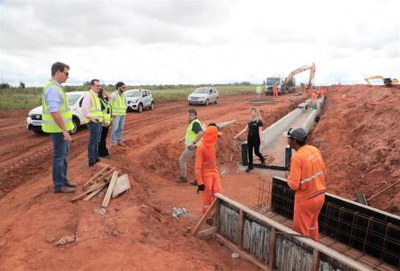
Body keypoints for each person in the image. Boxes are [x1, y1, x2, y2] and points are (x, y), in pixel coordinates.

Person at [286, 128, 327, 242]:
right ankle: (315, 245)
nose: (288, 141)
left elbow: (294, 185)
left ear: (294, 141)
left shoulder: (297, 158)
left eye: (289, 139)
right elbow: (324, 171)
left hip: (306, 200)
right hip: (320, 196)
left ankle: (304, 253)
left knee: (301, 231)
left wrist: (288, 178)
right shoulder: (314, 150)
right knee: (313, 223)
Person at [42, 62, 76, 193]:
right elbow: (54, 111)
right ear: (57, 72)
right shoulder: (52, 88)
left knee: (64, 155)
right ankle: (58, 185)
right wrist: (64, 131)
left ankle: (63, 180)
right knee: (59, 157)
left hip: (61, 129)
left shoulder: (58, 87)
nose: (68, 76)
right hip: (58, 130)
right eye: (66, 73)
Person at [195, 125, 222, 213]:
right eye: (216, 136)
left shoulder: (213, 145)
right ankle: (207, 215)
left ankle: (216, 213)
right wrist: (200, 182)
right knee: (207, 194)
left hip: (214, 172)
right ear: (211, 136)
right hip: (206, 175)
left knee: (218, 192)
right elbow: (197, 168)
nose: (217, 138)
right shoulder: (201, 148)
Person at [176, 109, 203, 183]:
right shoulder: (193, 123)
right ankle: (199, 180)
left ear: (195, 115)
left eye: (191, 115)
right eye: (188, 115)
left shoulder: (195, 123)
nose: (189, 116)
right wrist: (182, 139)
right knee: (196, 164)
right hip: (196, 146)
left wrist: (193, 143)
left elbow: (200, 133)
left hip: (192, 147)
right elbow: (192, 134)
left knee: (182, 160)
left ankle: (183, 177)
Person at [234, 107, 265, 172]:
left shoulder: (259, 121)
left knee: (256, 152)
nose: (252, 113)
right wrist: (237, 135)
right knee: (250, 152)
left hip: (256, 139)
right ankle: (250, 166)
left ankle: (262, 159)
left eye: (253, 112)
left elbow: (260, 131)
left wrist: (261, 139)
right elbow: (245, 129)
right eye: (251, 112)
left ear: (256, 112)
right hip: (250, 138)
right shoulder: (250, 121)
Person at [82, 79, 103, 167]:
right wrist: (90, 118)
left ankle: (96, 157)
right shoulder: (88, 94)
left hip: (99, 121)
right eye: (97, 85)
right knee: (93, 141)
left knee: (97, 140)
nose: (99, 87)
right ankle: (91, 160)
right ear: (92, 86)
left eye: (99, 85)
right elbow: (84, 107)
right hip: (93, 122)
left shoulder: (96, 95)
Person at [109, 82, 127, 147]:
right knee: (115, 129)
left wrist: (124, 111)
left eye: (124, 87)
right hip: (116, 115)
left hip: (122, 114)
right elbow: (109, 105)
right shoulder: (113, 95)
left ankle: (119, 142)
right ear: (118, 87)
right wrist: (111, 114)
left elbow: (125, 104)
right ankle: (112, 144)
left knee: (121, 128)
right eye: (123, 87)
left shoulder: (124, 95)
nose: (124, 89)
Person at [98, 88, 112, 159]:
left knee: (103, 138)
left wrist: (105, 92)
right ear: (101, 93)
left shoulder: (104, 101)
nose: (105, 94)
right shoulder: (100, 101)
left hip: (106, 122)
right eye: (103, 93)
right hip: (103, 123)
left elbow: (111, 99)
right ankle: (102, 153)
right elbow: (101, 113)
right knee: (102, 138)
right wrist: (104, 123)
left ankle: (102, 152)